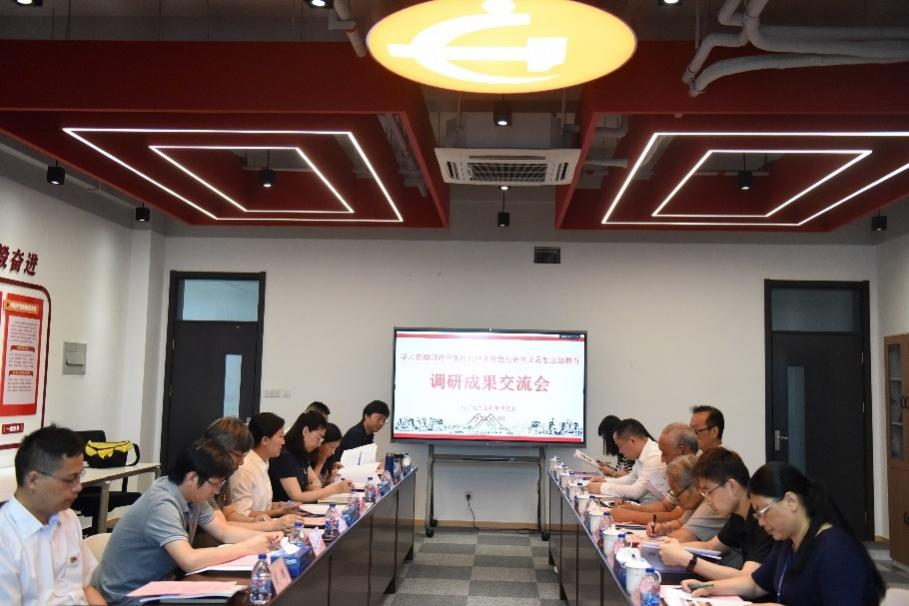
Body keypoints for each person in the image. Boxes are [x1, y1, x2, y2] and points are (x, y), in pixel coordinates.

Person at [93, 438, 281, 605]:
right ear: (192, 478)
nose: (216, 491)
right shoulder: (162, 504)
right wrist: (248, 547)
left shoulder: (193, 496)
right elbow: (189, 560)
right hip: (129, 597)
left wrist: (267, 536)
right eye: (215, 484)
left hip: (160, 586)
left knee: (243, 591)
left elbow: (223, 531)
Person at [682, 462, 885, 605]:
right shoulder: (789, 541)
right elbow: (755, 584)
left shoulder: (835, 551)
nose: (761, 522)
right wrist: (709, 587)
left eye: (763, 512)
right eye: (757, 514)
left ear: (791, 501)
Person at [0, 425, 106, 605]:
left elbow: (86, 587)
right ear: (33, 480)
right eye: (70, 479)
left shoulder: (68, 518)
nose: (78, 487)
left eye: (79, 476)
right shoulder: (5, 538)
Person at [659, 447, 773, 580]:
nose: (707, 500)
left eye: (708, 491)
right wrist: (667, 547)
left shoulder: (761, 517)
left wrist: (687, 560)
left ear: (732, 486)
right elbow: (711, 546)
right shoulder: (738, 515)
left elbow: (748, 579)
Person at [202, 417, 299, 533]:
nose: (241, 462)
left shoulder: (224, 478)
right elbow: (222, 528)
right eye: (238, 456)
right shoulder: (203, 482)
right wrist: (271, 525)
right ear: (220, 449)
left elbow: (230, 514)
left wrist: (253, 521)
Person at [269, 411, 353, 503]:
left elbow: (315, 480)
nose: (319, 444)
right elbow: (297, 497)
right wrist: (335, 489)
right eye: (318, 437)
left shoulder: (302, 453)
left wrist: (315, 487)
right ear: (305, 431)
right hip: (283, 510)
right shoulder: (284, 456)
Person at [587, 418, 668, 504]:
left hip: (655, 509)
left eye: (620, 446)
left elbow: (636, 491)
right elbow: (630, 479)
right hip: (646, 506)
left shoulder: (654, 456)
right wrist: (605, 481)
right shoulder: (642, 453)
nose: (620, 451)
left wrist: (601, 488)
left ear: (632, 441)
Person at [230, 412, 288, 518]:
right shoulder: (245, 468)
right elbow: (242, 515)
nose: (283, 442)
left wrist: (277, 506)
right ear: (265, 440)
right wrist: (280, 512)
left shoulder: (263, 462)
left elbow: (260, 506)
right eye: (280, 436)